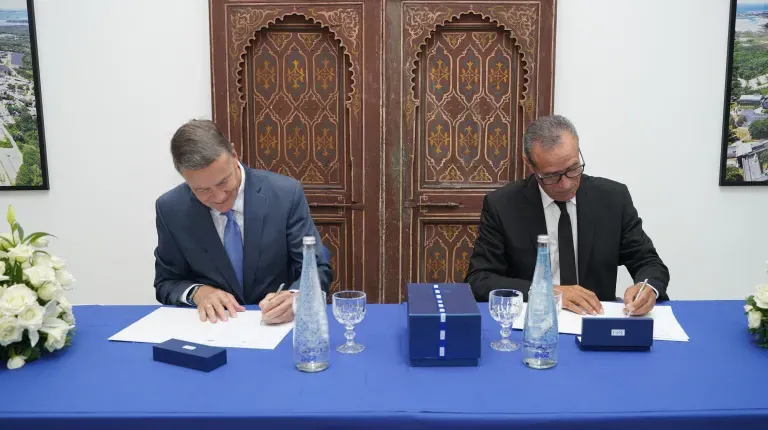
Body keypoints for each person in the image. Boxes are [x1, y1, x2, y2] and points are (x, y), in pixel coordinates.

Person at [465, 115, 669, 316]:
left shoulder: (613, 199)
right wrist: (545, 292)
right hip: (534, 321)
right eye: (552, 175)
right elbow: (479, 280)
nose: (566, 184)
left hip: (594, 320)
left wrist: (647, 287)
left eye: (573, 169)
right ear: (530, 165)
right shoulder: (503, 205)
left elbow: (648, 262)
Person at [153, 119, 333, 324]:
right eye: (202, 190)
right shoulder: (171, 209)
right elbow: (166, 282)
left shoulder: (284, 195)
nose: (219, 197)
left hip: (276, 327)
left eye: (223, 182)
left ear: (233, 155)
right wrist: (198, 292)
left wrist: (295, 297)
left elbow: (317, 267)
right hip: (212, 329)